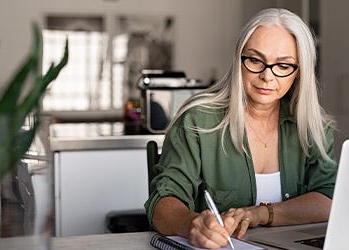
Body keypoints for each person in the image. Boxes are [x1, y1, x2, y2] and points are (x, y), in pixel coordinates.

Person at [144, 8, 337, 249]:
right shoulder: (196, 121)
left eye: (283, 65)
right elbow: (161, 203)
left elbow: (328, 199)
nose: (267, 76)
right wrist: (191, 224)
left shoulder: (313, 126)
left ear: (299, 72)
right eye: (255, 60)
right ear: (239, 60)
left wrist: (259, 214)